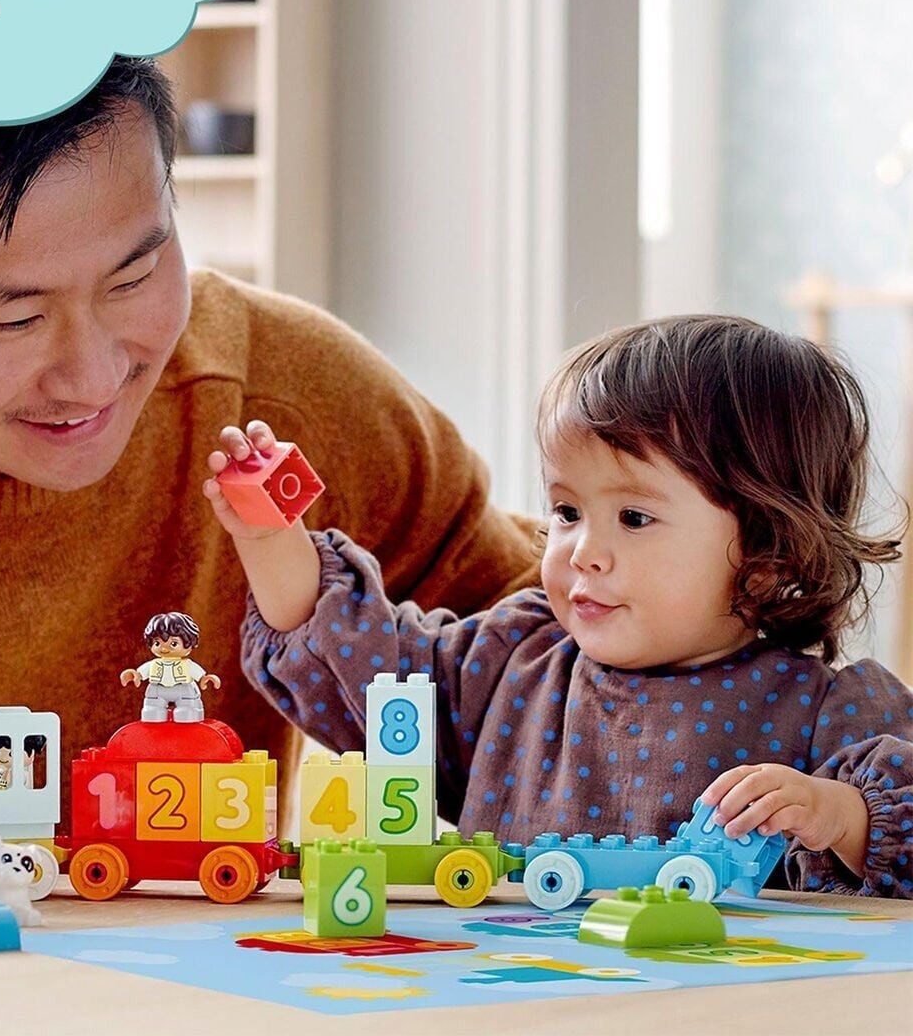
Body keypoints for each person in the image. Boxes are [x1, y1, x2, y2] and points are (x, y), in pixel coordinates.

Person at [0, 60, 542, 903]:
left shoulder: (285, 390)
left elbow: (559, 647)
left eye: (135, 276)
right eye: (12, 317)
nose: (93, 376)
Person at [204, 316, 913, 897]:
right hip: (509, 997)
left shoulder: (827, 714)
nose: (583, 551)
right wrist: (269, 537)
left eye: (633, 518)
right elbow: (358, 664)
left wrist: (838, 816)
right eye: (567, 511)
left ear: (767, 557)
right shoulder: (511, 664)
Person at [120, 611, 221, 722]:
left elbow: (200, 675)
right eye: (157, 643)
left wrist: (204, 679)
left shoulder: (187, 665)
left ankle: (188, 710)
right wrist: (135, 675)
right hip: (157, 691)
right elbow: (140, 673)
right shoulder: (154, 664)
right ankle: (154, 710)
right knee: (152, 712)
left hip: (184, 690)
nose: (164, 648)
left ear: (189, 642)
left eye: (173, 643)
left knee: (187, 713)